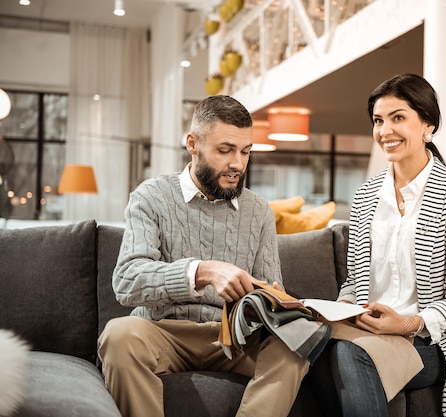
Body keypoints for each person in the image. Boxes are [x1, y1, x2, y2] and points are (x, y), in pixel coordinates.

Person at [98, 95, 310, 417]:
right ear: (193, 144)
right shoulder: (151, 196)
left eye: (245, 151)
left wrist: (270, 302)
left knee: (296, 348)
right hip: (163, 331)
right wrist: (202, 271)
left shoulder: (258, 211)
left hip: (233, 339)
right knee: (119, 336)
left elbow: (268, 291)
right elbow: (127, 281)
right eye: (225, 150)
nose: (238, 164)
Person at [309, 74, 446, 417]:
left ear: (428, 125)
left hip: (433, 342)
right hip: (368, 330)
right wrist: (340, 309)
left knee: (351, 354)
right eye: (379, 120)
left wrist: (406, 324)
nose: (385, 131)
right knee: (311, 350)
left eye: (398, 118)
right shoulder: (365, 196)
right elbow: (354, 282)